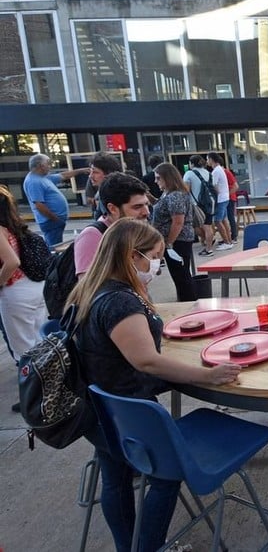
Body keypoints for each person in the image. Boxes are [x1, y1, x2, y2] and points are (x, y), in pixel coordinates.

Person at [70, 219, 241, 551]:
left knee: (115, 481)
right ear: (133, 256)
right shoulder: (119, 301)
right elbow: (145, 360)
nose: (158, 265)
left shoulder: (91, 289)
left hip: (102, 412)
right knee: (166, 475)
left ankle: (129, 546)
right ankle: (147, 546)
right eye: (155, 255)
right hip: (130, 414)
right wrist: (207, 375)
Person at [0, 184, 48, 373]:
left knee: (24, 352)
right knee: (41, 345)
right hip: (34, 286)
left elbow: (12, 261)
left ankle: (33, 396)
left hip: (15, 292)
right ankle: (48, 392)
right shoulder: (11, 225)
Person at [75, 172, 151, 278]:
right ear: (113, 208)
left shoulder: (132, 230)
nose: (146, 212)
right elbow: (87, 288)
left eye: (146, 204)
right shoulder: (92, 236)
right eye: (137, 207)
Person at [23, 153, 90, 247]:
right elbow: (39, 205)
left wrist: (81, 171)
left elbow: (63, 175)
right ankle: (52, 261)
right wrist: (55, 219)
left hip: (54, 220)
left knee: (57, 244)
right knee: (54, 247)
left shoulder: (43, 177)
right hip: (51, 221)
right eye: (48, 164)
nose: (50, 167)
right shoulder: (33, 182)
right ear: (41, 166)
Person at [152, 163, 197, 301]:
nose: (156, 181)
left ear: (168, 178)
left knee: (181, 275)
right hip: (175, 240)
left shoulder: (175, 195)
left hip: (178, 241)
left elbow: (178, 221)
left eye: (158, 178)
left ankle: (188, 303)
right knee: (179, 275)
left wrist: (169, 243)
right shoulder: (169, 193)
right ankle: (186, 300)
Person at [183, 155, 215, 256]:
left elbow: (186, 190)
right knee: (208, 226)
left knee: (195, 226)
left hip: (197, 204)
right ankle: (208, 246)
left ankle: (208, 246)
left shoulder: (189, 173)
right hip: (210, 202)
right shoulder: (208, 172)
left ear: (191, 163)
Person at [207, 152, 234, 250]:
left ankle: (227, 242)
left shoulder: (215, 171)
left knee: (218, 221)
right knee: (224, 219)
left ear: (211, 159)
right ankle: (229, 240)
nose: (207, 161)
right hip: (225, 197)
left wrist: (215, 194)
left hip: (220, 199)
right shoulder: (221, 169)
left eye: (207, 159)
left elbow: (213, 185)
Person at [85, 152, 124, 220]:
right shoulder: (102, 191)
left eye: (95, 172)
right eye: (90, 172)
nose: (90, 176)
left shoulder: (117, 193)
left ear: (109, 173)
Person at [225, 166, 240, 244]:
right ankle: (229, 236)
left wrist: (227, 195)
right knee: (228, 218)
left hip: (230, 198)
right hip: (229, 197)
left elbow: (236, 186)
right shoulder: (225, 172)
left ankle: (234, 236)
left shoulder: (226, 172)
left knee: (230, 217)